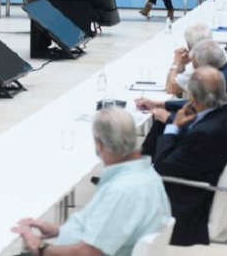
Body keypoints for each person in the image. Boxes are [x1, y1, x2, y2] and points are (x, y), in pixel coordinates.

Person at [11, 108, 171, 256]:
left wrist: (40, 247)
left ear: (100, 145)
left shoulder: (121, 191)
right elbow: (109, 230)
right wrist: (60, 230)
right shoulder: (148, 176)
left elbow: (90, 252)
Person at [152, 66, 227, 246]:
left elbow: (161, 167)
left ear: (193, 98)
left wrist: (173, 127)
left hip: (186, 207)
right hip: (202, 182)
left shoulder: (204, 134)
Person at [139, 40, 227, 159]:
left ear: (203, 66)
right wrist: (163, 104)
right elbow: (203, 104)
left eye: (194, 65)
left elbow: (206, 124)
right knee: (168, 118)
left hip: (223, 139)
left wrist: (170, 119)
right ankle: (145, 158)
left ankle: (148, 159)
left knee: (164, 122)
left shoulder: (219, 81)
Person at [164, 23, 227, 96]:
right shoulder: (219, 51)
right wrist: (182, 64)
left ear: (191, 47)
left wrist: (176, 63)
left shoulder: (202, 63)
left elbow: (171, 88)